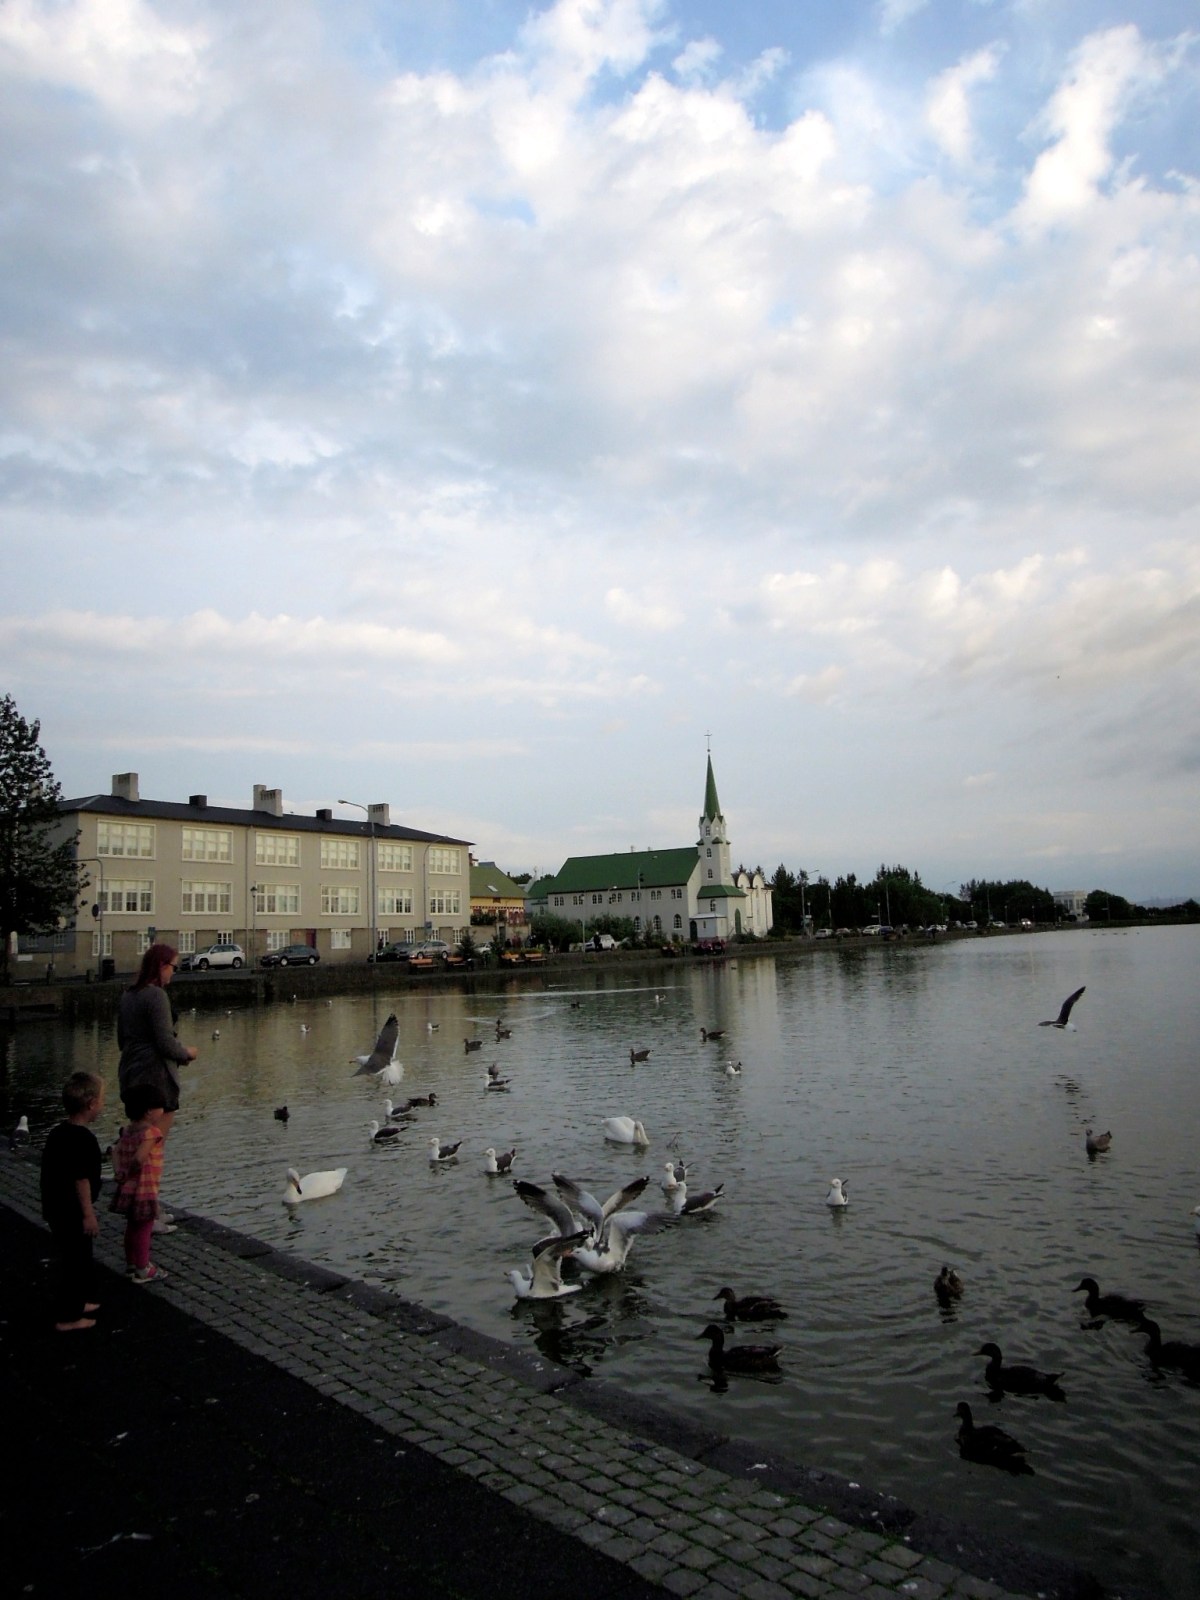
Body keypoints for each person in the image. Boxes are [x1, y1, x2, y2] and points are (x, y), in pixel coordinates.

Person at [117, 942, 196, 1226]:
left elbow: (121, 1040)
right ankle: (149, 1213)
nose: (174, 973)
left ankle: (130, 1200)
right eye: (173, 967)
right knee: (153, 1148)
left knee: (137, 1141)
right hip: (156, 1078)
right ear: (162, 966)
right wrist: (186, 1053)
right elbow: (165, 1042)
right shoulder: (156, 996)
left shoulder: (128, 995)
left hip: (130, 1073)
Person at [39, 1071, 106, 1331]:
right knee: (75, 1263)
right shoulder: (84, 1140)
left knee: (76, 1257)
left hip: (56, 1207)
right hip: (72, 1211)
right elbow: (81, 1180)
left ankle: (77, 1303)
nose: (103, 1104)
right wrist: (88, 1214)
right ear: (91, 1105)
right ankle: (68, 1317)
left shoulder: (58, 1133)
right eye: (101, 1100)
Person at [109, 1084, 169, 1283]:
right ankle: (144, 1268)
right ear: (149, 1111)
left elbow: (115, 1151)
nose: (164, 1111)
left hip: (127, 1188)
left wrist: (119, 1172)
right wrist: (130, 1169)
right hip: (144, 1188)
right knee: (144, 1227)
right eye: (161, 1107)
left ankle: (131, 1264)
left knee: (131, 1227)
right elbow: (139, 1159)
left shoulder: (126, 1131)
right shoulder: (152, 1133)